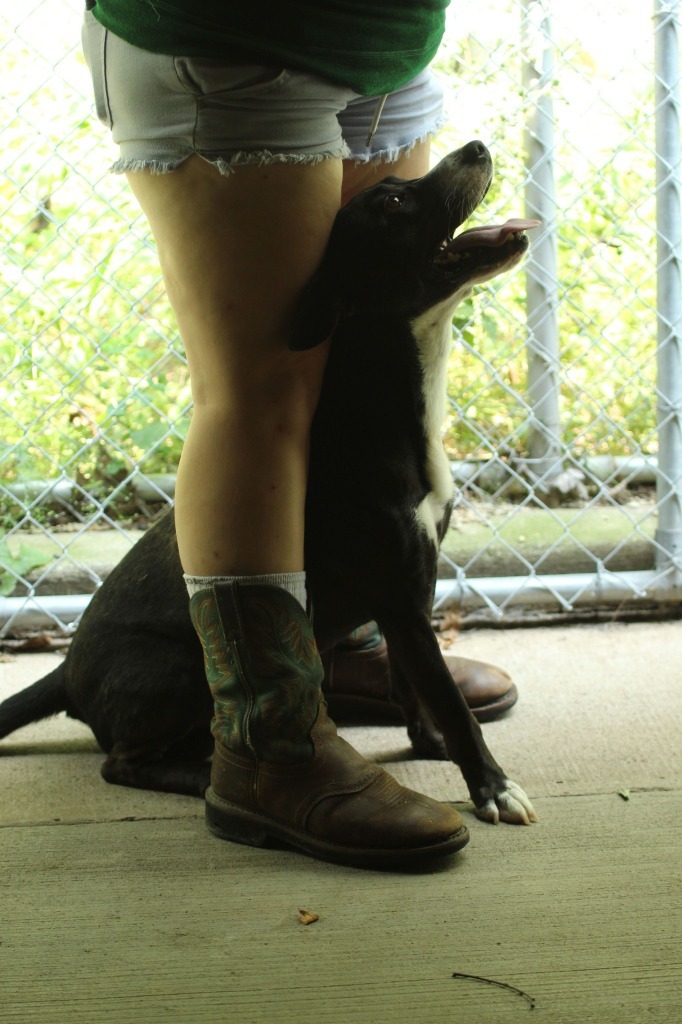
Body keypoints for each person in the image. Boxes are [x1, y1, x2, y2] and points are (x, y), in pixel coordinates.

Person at [81, 0, 516, 868]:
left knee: (355, 356)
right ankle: (269, 744)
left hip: (376, 42)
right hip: (237, 42)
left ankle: (332, 643)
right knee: (267, 389)